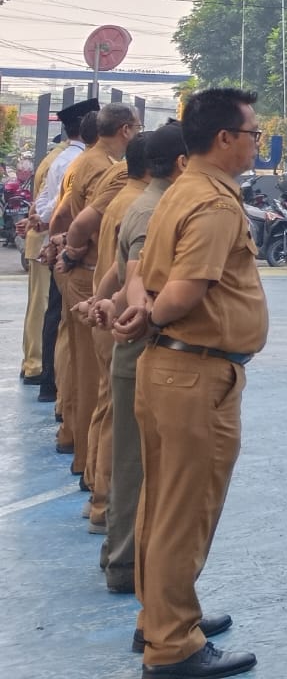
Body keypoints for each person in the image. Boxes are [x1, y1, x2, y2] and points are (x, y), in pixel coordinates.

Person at [115, 87, 267, 679]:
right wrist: (148, 315)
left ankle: (161, 616)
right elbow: (185, 291)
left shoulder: (181, 191)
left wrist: (138, 312)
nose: (257, 142)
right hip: (196, 372)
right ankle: (173, 645)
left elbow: (140, 274)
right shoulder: (215, 204)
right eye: (252, 132)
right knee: (186, 508)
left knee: (163, 503)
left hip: (174, 368)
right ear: (225, 138)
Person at [98, 122, 185, 597]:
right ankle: (126, 564)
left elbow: (117, 273)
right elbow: (138, 279)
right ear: (181, 163)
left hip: (134, 350)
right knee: (138, 466)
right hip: (144, 353)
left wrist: (101, 301)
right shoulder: (154, 212)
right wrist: (141, 311)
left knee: (133, 461)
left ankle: (121, 557)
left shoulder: (144, 205)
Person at [49, 101, 139, 485]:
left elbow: (59, 215)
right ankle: (88, 462)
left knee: (77, 361)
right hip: (89, 274)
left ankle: (72, 438)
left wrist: (61, 246)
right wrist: (71, 251)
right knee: (94, 376)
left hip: (80, 272)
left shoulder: (83, 163)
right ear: (125, 130)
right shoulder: (112, 171)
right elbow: (82, 220)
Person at [68, 128, 148, 533]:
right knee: (118, 412)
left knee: (106, 405)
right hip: (118, 314)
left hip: (106, 305)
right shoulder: (145, 205)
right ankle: (102, 506)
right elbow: (131, 272)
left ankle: (95, 491)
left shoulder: (126, 199)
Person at [20, 98, 93, 392]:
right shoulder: (74, 161)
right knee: (52, 309)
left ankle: (37, 366)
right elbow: (61, 206)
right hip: (56, 236)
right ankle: (41, 368)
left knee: (43, 306)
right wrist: (42, 220)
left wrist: (37, 217)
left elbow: (44, 200)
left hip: (46, 232)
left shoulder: (59, 158)